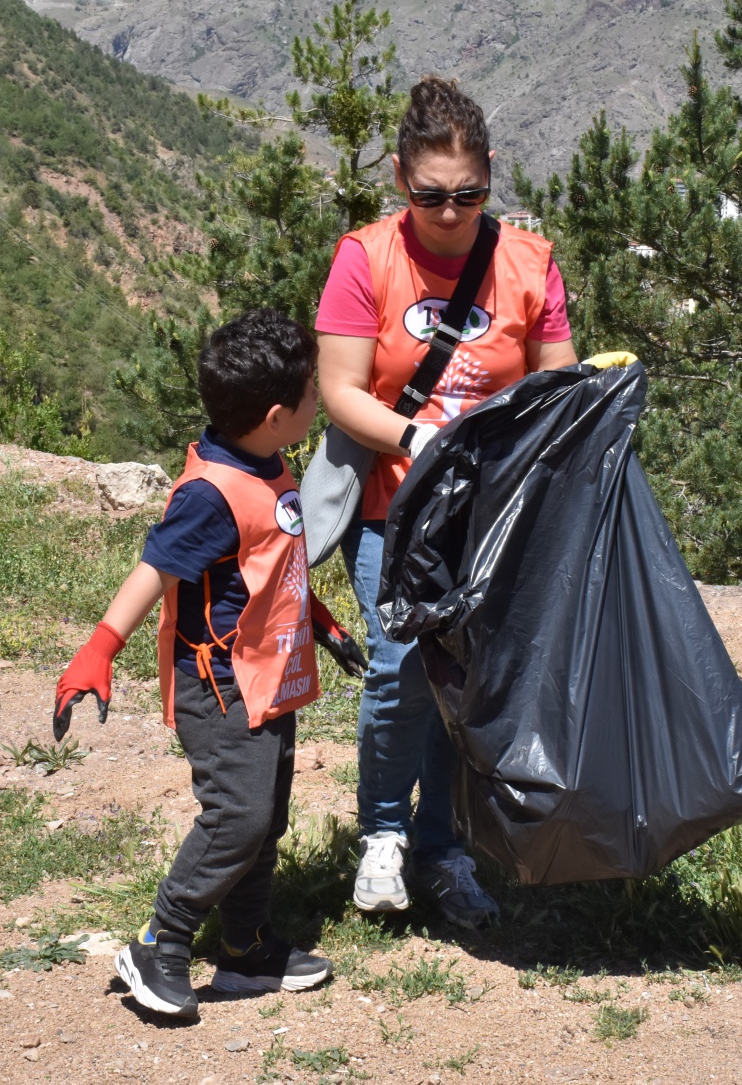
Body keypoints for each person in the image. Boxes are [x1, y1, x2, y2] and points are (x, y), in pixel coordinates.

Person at [316, 76, 577, 927]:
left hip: (491, 519)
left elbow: (559, 385)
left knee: (465, 681)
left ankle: (445, 847)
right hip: (394, 504)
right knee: (397, 667)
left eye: (470, 194)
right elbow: (342, 391)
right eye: (431, 196)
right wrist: (417, 438)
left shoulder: (529, 264)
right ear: (400, 180)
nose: (452, 212)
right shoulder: (367, 259)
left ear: (491, 175)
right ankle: (384, 833)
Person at [51, 309, 364, 1018]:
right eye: (312, 392)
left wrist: (324, 624)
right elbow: (154, 569)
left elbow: (271, 565)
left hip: (268, 675)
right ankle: (160, 939)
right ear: (279, 414)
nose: (319, 399)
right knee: (237, 819)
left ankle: (247, 948)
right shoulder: (209, 494)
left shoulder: (263, 460)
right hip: (220, 686)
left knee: (266, 818)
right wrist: (101, 647)